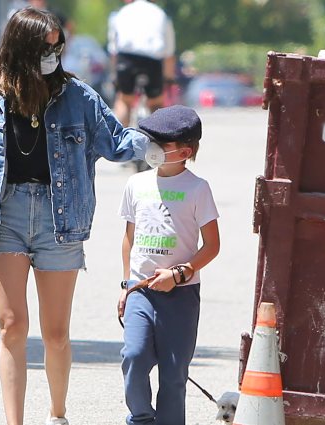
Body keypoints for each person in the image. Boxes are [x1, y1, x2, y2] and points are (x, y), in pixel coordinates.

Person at [0, 7, 148, 425]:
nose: (56, 53)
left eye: (59, 46)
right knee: (11, 326)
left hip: (59, 220)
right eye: (47, 47)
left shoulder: (78, 97)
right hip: (4, 215)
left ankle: (57, 414)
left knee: (56, 333)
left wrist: (163, 141)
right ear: (22, 48)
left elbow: (117, 141)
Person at [116, 105, 220, 425]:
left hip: (181, 296)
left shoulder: (198, 189)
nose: (152, 149)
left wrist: (180, 273)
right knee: (133, 356)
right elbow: (129, 239)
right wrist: (126, 286)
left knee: (174, 374)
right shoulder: (136, 184)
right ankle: (142, 418)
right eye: (150, 142)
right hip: (141, 291)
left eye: (161, 144)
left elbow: (212, 245)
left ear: (185, 151)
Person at [107, 0, 176, 126]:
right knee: (156, 103)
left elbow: (113, 51)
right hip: (152, 61)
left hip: (126, 59)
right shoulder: (161, 14)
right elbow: (169, 54)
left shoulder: (121, 13)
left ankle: (119, 139)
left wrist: (114, 76)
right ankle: (160, 140)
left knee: (124, 101)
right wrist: (169, 79)